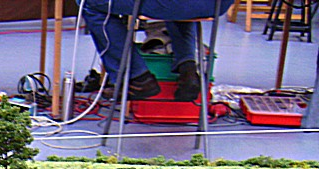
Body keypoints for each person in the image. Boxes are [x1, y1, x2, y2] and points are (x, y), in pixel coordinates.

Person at [78, 0, 235, 100]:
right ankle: (188, 68)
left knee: (89, 2)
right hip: (217, 5)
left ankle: (136, 78)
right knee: (177, 10)